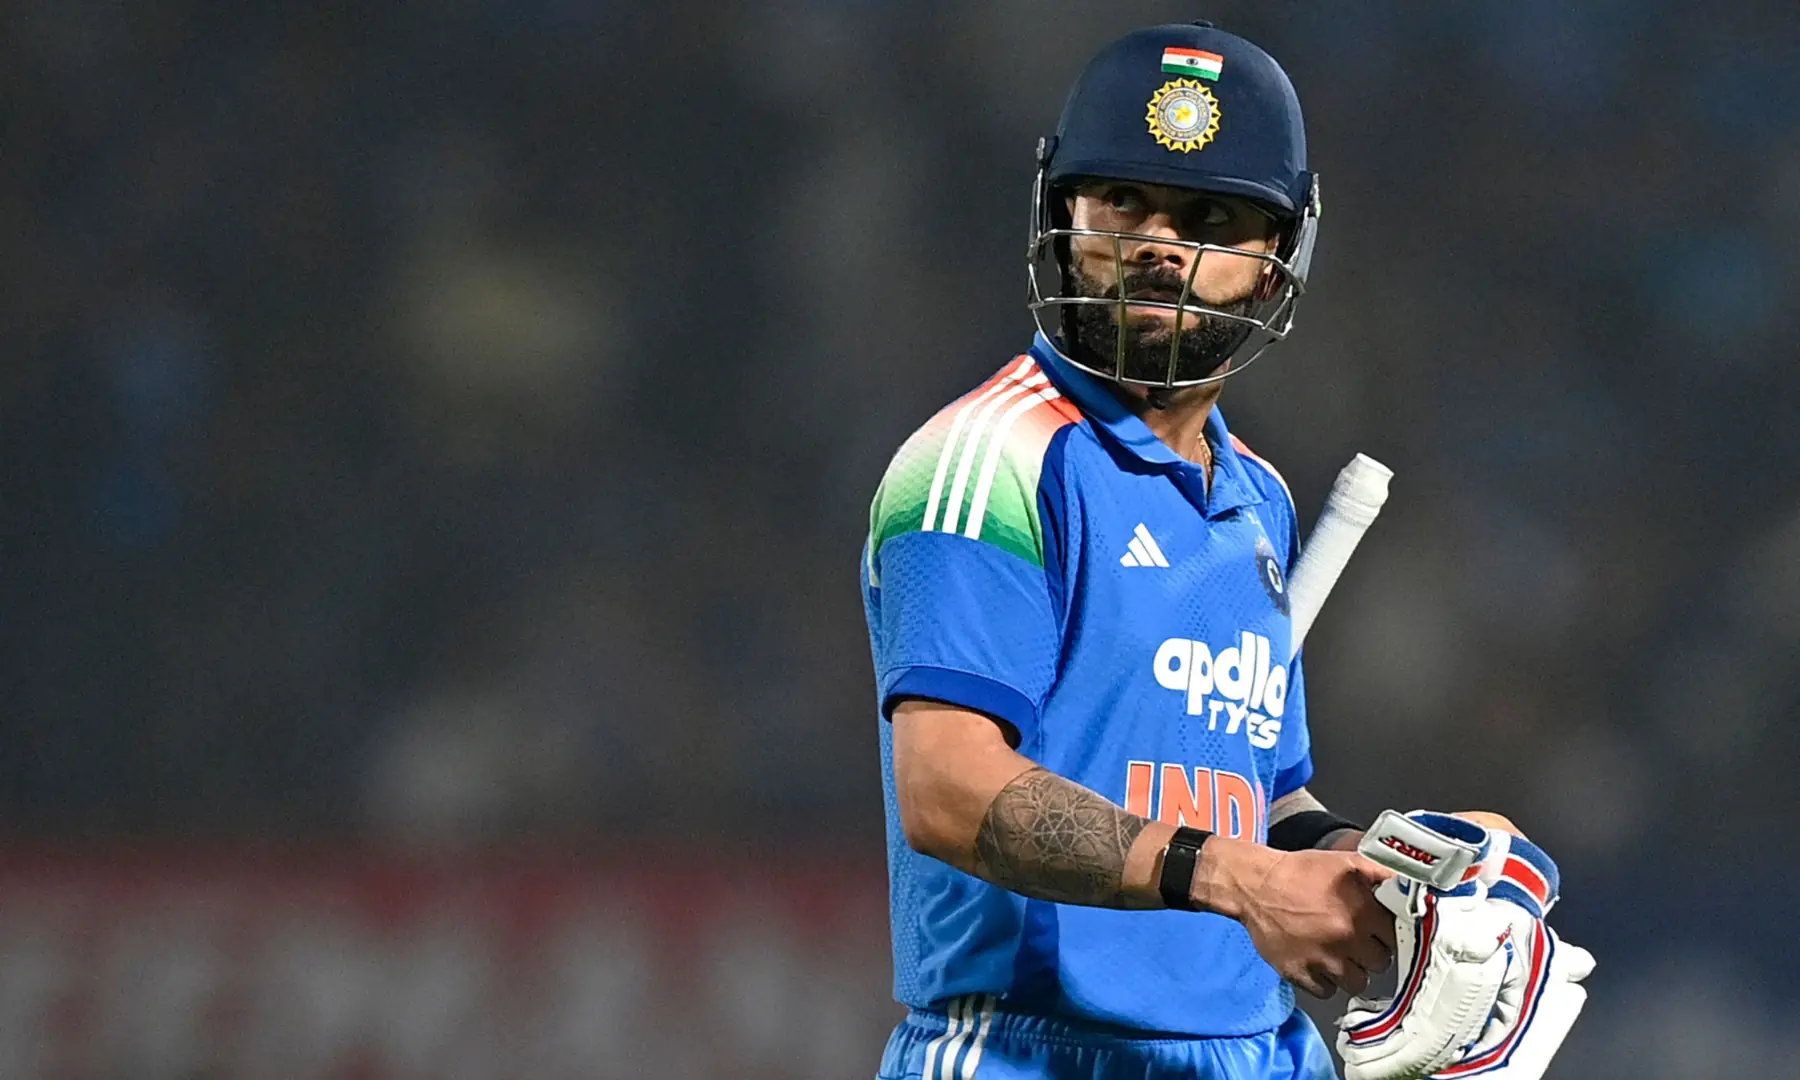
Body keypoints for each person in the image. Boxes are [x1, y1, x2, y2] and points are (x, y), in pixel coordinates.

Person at [861, 22, 1390, 1080]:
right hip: (1033, 1051)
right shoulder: (992, 459)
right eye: (1125, 203)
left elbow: (1265, 793)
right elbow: (948, 788)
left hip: (1258, 1053)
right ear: (1066, 216)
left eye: (1211, 218)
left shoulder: (1261, 500)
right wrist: (1231, 878)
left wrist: (1378, 867)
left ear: (1278, 257)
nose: (1159, 242)